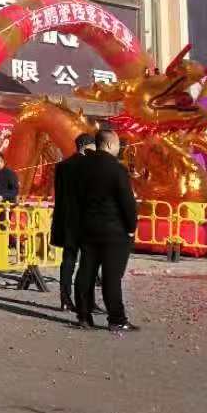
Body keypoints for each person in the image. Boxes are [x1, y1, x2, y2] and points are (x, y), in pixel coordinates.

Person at [72, 128, 139, 333]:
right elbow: (127, 201)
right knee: (111, 276)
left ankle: (84, 316)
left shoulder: (81, 167)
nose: (119, 148)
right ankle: (116, 318)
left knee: (86, 272)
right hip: (114, 230)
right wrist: (131, 226)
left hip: (87, 227)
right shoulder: (116, 169)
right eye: (118, 144)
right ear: (109, 144)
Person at [51, 132, 96, 312]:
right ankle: (87, 299)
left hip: (66, 219)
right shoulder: (90, 165)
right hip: (85, 219)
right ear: (86, 146)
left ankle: (65, 298)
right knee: (88, 261)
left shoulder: (62, 166)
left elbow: (59, 194)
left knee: (68, 259)